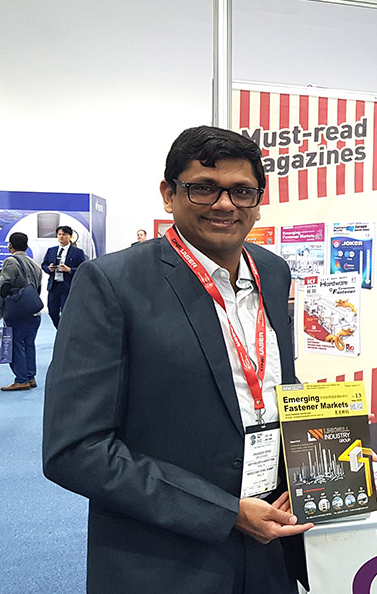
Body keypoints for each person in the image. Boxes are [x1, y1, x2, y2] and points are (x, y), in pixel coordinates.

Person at [43, 126, 311, 593]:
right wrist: (227, 513)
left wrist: (327, 448)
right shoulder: (113, 283)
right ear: (169, 195)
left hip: (270, 548)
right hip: (165, 559)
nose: (224, 204)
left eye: (241, 191)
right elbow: (76, 450)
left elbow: (268, 388)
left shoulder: (272, 271)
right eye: (203, 188)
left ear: (258, 201)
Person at [0, 232, 43, 391]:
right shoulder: (35, 264)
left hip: (17, 312)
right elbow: (37, 289)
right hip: (33, 311)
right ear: (27, 246)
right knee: (29, 344)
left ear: (10, 246)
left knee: (15, 344)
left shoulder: (10, 262)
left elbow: (3, 287)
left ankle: (21, 379)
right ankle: (30, 377)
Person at [41, 224, 86, 328]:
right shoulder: (51, 250)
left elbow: (83, 268)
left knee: (66, 312)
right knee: (52, 311)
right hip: (54, 286)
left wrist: (69, 270)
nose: (61, 237)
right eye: (59, 234)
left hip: (67, 286)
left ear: (70, 236)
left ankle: (64, 331)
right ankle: (60, 329)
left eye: (64, 234)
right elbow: (44, 265)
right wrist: (49, 269)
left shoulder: (78, 252)